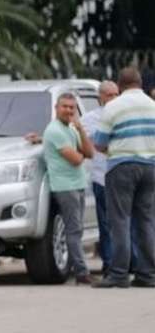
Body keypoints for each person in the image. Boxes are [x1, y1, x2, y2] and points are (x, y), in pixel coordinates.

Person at [92, 67, 155, 288]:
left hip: (121, 167)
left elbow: (99, 142)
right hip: (150, 168)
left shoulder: (113, 106)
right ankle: (147, 275)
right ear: (140, 83)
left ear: (119, 86)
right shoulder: (152, 106)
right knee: (146, 221)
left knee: (119, 221)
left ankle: (119, 274)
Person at [42, 92, 95, 284]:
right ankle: (82, 272)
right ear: (56, 108)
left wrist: (80, 130)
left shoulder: (72, 129)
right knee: (73, 231)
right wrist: (81, 155)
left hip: (78, 184)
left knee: (77, 230)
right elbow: (75, 159)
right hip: (65, 186)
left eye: (72, 107)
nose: (68, 110)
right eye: (64, 106)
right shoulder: (54, 130)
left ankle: (78, 268)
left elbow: (89, 152)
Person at [81, 81, 119, 276]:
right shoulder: (89, 119)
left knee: (126, 223)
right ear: (100, 98)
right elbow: (75, 137)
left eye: (116, 95)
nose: (113, 99)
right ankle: (110, 263)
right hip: (101, 177)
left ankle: (130, 263)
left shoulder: (124, 115)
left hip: (122, 177)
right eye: (109, 95)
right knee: (105, 224)